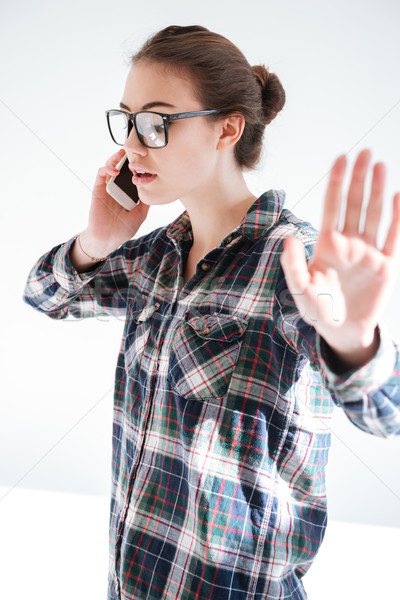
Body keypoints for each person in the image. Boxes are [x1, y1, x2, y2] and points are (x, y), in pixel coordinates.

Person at [23, 24, 400, 600]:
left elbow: (387, 413)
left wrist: (355, 343)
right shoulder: (156, 257)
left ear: (228, 128)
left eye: (156, 122)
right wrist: (96, 242)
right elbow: (46, 296)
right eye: (127, 121)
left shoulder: (292, 262)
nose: (133, 144)